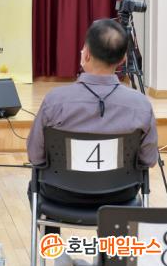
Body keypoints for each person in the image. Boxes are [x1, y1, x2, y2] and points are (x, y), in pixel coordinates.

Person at [27, 19, 158, 220]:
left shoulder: (55, 101)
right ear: (123, 59)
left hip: (60, 193)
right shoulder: (141, 105)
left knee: (34, 186)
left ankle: (52, 240)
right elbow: (148, 160)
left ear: (86, 54)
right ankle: (110, 240)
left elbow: (36, 156)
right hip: (120, 195)